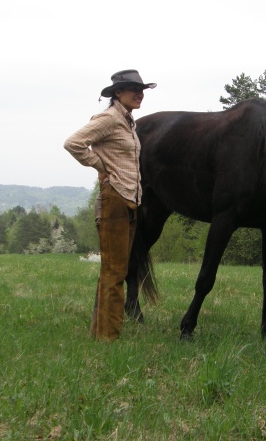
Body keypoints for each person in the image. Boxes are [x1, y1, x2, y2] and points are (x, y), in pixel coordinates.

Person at [64, 69, 156, 341]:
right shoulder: (109, 119)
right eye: (134, 89)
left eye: (142, 90)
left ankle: (100, 333)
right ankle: (108, 338)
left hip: (128, 199)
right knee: (115, 272)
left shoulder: (127, 121)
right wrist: (101, 166)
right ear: (118, 92)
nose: (140, 94)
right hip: (114, 197)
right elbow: (73, 143)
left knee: (114, 270)